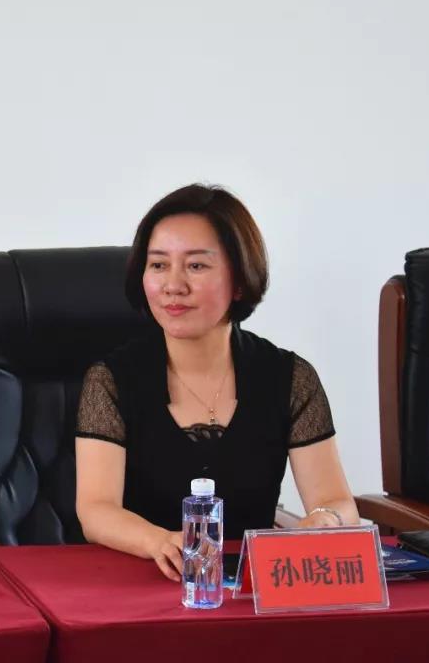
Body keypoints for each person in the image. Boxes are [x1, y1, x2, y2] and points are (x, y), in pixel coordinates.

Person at [75, 184, 358, 581]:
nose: (173, 285)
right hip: (142, 580)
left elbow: (337, 501)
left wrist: (325, 519)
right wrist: (159, 542)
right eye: (158, 265)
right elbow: (96, 510)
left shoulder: (290, 378)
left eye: (196, 266)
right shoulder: (111, 380)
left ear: (239, 279)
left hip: (252, 588)